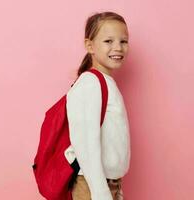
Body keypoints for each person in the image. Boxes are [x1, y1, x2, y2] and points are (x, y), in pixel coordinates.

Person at [64, 11, 131, 200]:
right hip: (92, 187)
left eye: (123, 41)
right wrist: (101, 193)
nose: (118, 47)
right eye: (108, 41)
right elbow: (85, 143)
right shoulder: (90, 83)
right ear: (90, 45)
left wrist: (115, 187)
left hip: (105, 184)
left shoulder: (104, 82)